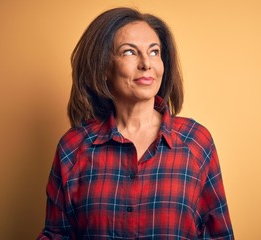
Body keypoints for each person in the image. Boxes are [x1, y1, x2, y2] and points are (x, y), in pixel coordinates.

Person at [37, 7, 234, 239]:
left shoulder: (196, 142)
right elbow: (57, 234)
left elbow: (219, 235)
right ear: (103, 69)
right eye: (129, 52)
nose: (146, 64)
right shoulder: (73, 147)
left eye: (154, 52)